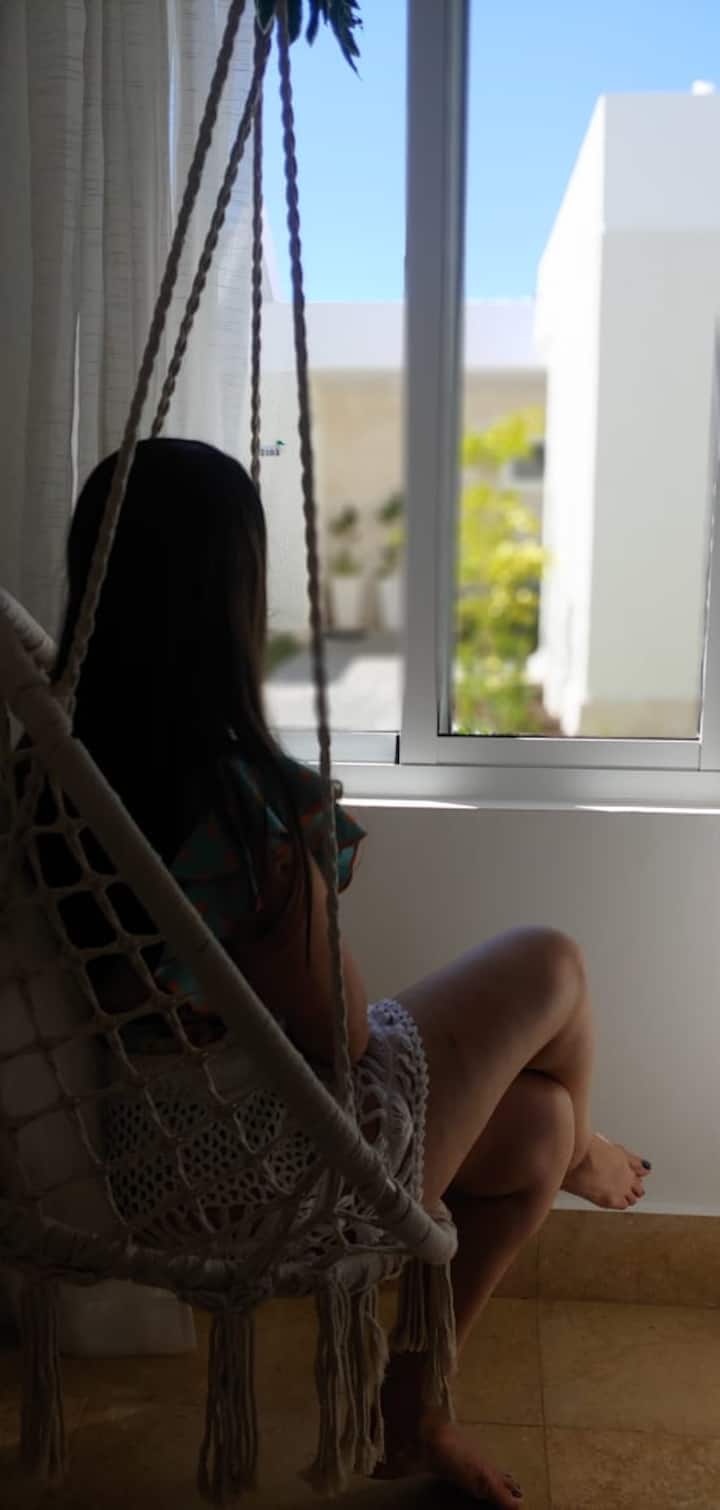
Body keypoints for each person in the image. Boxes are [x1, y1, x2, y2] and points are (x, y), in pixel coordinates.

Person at [52, 438, 652, 1508]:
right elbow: (346, 1038)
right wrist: (307, 859)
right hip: (286, 1172)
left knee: (537, 1131)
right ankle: (593, 1153)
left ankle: (416, 1401)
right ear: (225, 604)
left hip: (151, 1156)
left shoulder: (59, 784)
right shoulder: (240, 809)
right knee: (553, 961)